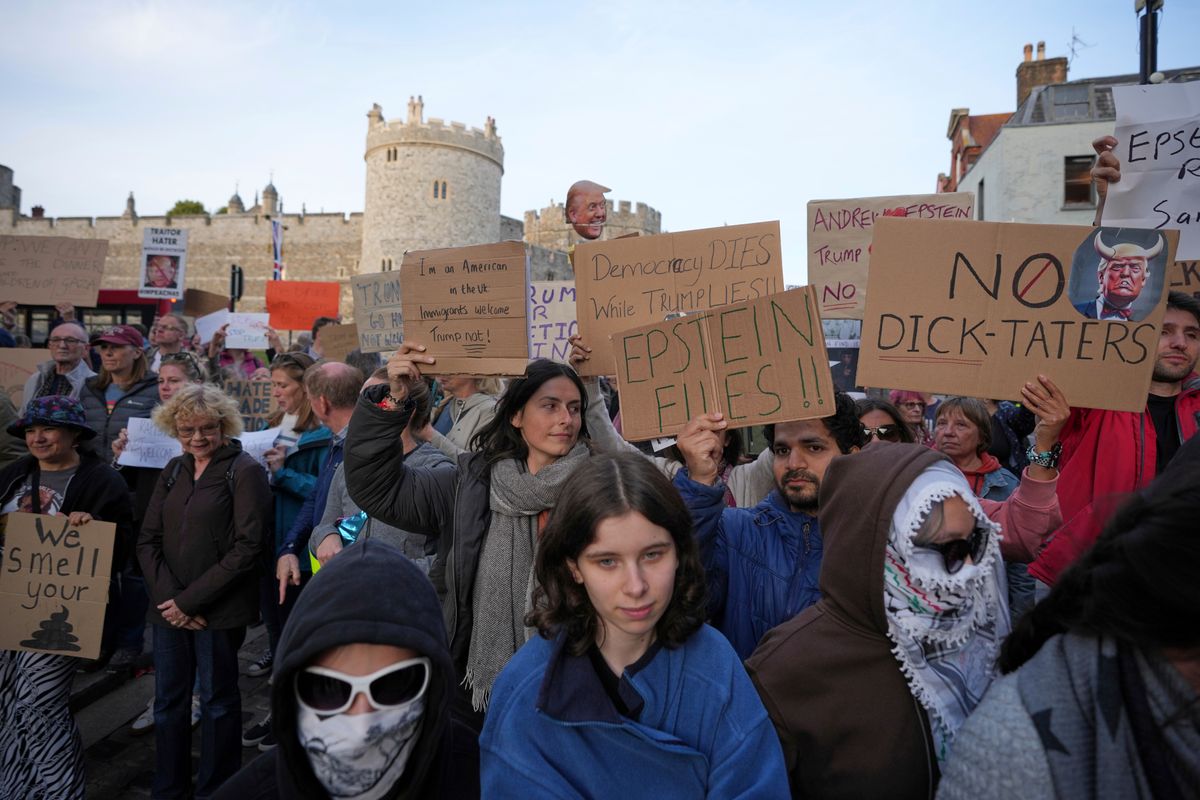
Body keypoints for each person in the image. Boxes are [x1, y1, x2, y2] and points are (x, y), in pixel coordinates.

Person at [480, 454, 789, 797]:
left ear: (679, 553)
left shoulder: (715, 663)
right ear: (574, 567)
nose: (636, 586)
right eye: (607, 561)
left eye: (653, 555)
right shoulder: (527, 690)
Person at [938, 435, 1200, 799]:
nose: (949, 431)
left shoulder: (999, 485)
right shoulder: (1015, 748)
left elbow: (1022, 531)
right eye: (939, 548)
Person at [746, 444, 1011, 798]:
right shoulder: (786, 671)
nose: (967, 569)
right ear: (878, 548)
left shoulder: (976, 629)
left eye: (974, 542)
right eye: (946, 550)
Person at [344, 344, 592, 716]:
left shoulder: (600, 489)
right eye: (550, 406)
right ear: (516, 415)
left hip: (574, 684)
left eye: (574, 408)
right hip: (473, 682)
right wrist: (394, 400)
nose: (566, 419)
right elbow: (377, 487)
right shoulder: (469, 485)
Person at [215, 540, 481, 799]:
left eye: (395, 684)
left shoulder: (482, 776)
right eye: (327, 687)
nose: (362, 726)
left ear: (434, 687)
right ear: (289, 694)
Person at [137, 383, 271, 799]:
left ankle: (216, 789)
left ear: (223, 425)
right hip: (169, 610)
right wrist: (172, 602)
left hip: (218, 609)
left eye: (207, 428)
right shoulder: (174, 469)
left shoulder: (244, 470)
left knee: (218, 701)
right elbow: (148, 540)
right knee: (168, 702)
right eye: (186, 430)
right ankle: (168, 788)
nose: (197, 438)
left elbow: (248, 547)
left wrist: (189, 602)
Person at [0, 396, 132, 799]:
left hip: (60, 612)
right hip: (8, 605)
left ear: (75, 434)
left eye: (48, 429)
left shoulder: (102, 480)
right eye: (31, 430)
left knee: (39, 701)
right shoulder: (13, 474)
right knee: (6, 700)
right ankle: (16, 787)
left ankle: (60, 790)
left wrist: (91, 526)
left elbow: (121, 550)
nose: (37, 438)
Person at [672, 393, 865, 659]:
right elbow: (683, 602)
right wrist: (698, 484)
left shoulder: (876, 546)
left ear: (852, 457)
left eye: (813, 448)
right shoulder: (735, 531)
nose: (794, 464)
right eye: (782, 450)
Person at [1030, 290, 1200, 588]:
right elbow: (1047, 455)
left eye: (1192, 334)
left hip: (1177, 578)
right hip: (1085, 574)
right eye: (1164, 331)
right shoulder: (1093, 396)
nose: (1180, 343)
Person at [241, 353, 323, 747]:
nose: (274, 392)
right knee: (275, 629)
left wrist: (283, 474)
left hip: (299, 550)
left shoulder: (322, 433)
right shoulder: (272, 425)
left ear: (305, 388)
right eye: (272, 384)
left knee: (295, 634)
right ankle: (280, 706)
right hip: (267, 544)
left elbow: (327, 494)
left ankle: (289, 714)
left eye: (282, 385)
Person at [309, 369, 451, 573]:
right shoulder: (348, 466)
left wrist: (386, 573)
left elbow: (450, 561)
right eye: (361, 400)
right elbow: (324, 524)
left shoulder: (437, 471)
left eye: (372, 401)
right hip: (350, 588)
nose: (360, 410)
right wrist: (326, 536)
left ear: (404, 408)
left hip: (403, 591)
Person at [79, 323, 160, 670]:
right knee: (97, 571)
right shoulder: (88, 389)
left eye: (115, 346)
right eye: (102, 347)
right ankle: (98, 641)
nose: (107, 353)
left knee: (133, 574)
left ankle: (129, 643)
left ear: (137, 352)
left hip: (137, 494)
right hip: (96, 493)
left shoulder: (156, 390)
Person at [1071, 232, 1164, 321]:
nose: (1126, 273)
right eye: (1117, 266)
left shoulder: (1145, 320)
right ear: (1101, 277)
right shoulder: (1073, 311)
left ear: (1143, 280)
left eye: (1135, 268)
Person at [20, 322, 95, 414]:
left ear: (86, 348)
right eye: (56, 340)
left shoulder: (94, 384)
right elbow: (23, 414)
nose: (62, 345)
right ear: (50, 345)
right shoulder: (35, 379)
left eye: (70, 340)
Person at [428, 374, 497, 458]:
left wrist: (431, 435)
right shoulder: (446, 404)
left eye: (452, 367)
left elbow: (475, 462)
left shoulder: (491, 410)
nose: (443, 372)